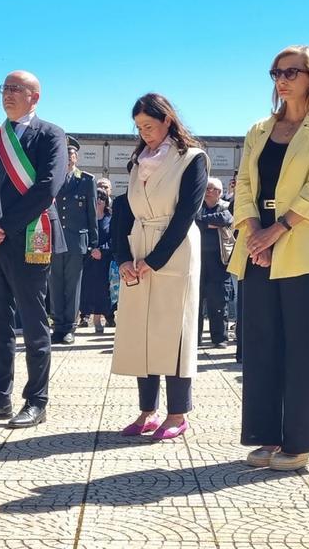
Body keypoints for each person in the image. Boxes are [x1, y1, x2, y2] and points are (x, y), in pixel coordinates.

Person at [231, 45, 309, 472]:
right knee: (261, 346)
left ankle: (298, 442)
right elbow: (243, 184)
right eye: (276, 72)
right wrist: (254, 233)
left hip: (303, 248)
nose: (282, 79)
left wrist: (277, 231)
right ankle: (267, 435)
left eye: (291, 71)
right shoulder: (259, 129)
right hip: (258, 248)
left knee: (301, 349)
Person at [0, 70, 68, 429]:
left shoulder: (51, 135)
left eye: (15, 89)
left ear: (34, 96)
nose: (7, 95)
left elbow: (47, 186)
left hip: (29, 237)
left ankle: (37, 400)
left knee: (34, 321)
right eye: (4, 88)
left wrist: (2, 227)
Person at [111, 93, 206, 441]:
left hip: (174, 249)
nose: (145, 133)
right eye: (139, 128)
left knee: (173, 330)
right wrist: (123, 256)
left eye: (149, 126)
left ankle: (178, 413)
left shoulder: (192, 159)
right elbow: (124, 210)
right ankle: (146, 411)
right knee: (140, 331)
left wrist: (154, 260)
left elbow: (185, 214)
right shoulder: (138, 161)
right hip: (138, 245)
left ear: (167, 120)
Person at [49, 136, 96, 344]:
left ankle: (69, 327)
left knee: (73, 285)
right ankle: (57, 326)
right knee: (55, 284)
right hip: (54, 240)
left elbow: (92, 213)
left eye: (71, 155)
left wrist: (93, 242)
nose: (68, 158)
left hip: (77, 241)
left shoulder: (86, 180)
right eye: (64, 155)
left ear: (76, 157)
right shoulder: (51, 179)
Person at [196, 177, 234, 348]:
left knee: (218, 302)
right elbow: (193, 220)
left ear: (219, 192)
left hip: (219, 262)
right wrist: (208, 223)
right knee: (195, 302)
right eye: (206, 188)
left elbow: (225, 219)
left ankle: (219, 338)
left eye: (211, 189)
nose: (208, 191)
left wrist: (204, 222)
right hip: (198, 262)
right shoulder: (197, 207)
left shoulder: (226, 206)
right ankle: (194, 339)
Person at [80, 188, 113, 334]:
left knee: (102, 291)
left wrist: (102, 251)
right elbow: (81, 236)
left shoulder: (111, 218)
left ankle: (98, 320)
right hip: (88, 261)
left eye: (102, 198)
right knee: (87, 290)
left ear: (106, 201)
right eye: (97, 198)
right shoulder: (85, 218)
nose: (99, 200)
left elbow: (114, 238)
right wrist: (90, 250)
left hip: (104, 261)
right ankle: (84, 316)